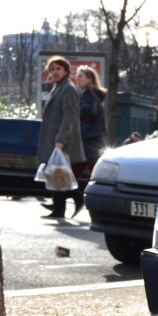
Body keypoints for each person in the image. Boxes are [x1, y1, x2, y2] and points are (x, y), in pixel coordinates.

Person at [35, 56, 85, 219]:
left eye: (58, 69)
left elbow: (69, 116)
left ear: (65, 71)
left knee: (59, 171)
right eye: (52, 69)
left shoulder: (68, 88)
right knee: (57, 172)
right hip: (55, 136)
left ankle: (71, 202)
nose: (55, 72)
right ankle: (62, 207)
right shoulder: (58, 87)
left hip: (62, 138)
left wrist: (61, 139)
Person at [73, 65, 107, 216]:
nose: (77, 78)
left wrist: (73, 109)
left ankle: (80, 199)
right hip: (91, 141)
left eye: (80, 76)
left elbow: (89, 112)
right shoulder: (91, 93)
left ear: (89, 79)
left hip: (88, 140)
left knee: (75, 172)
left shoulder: (88, 93)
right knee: (82, 172)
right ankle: (69, 199)